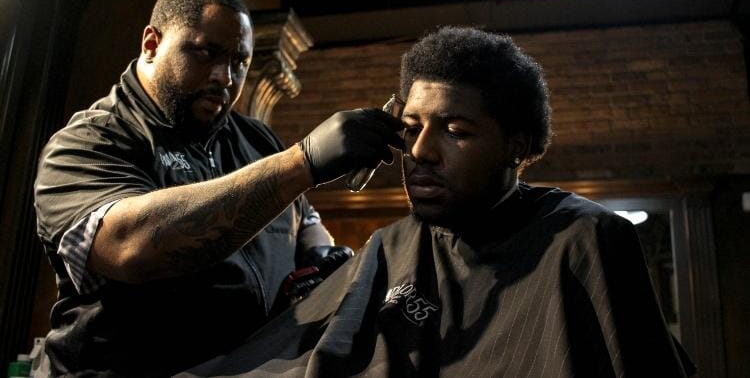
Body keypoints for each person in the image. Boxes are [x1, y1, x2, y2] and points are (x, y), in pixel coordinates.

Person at [180, 27, 696, 377]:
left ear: (517, 144)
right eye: (411, 128)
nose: (421, 152)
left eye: (455, 131)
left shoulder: (585, 241)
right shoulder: (391, 246)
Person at [33, 0, 403, 377]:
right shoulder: (90, 141)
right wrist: (302, 163)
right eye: (206, 53)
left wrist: (319, 257)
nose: (225, 77)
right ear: (152, 44)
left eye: (239, 61)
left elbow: (303, 221)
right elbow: (132, 246)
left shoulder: (255, 138)